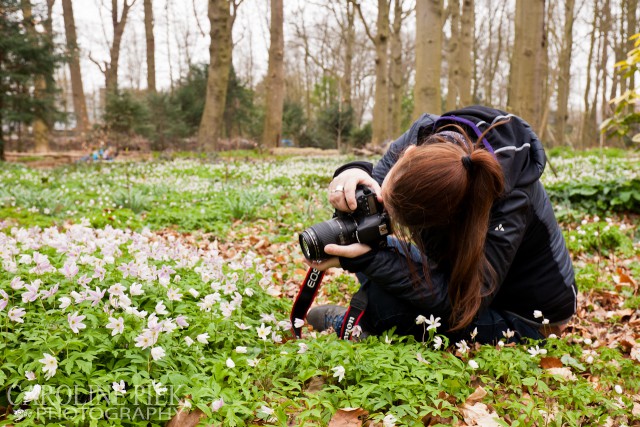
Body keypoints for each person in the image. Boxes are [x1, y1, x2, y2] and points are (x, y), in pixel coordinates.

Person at [305, 105, 577, 344]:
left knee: (385, 298)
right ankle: (373, 315)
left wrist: (367, 261)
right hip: (459, 271)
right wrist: (353, 172)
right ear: (408, 153)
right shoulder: (424, 134)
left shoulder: (509, 202)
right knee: (368, 244)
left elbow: (463, 304)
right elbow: (372, 187)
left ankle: (366, 320)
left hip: (526, 317)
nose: (382, 209)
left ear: (445, 219)